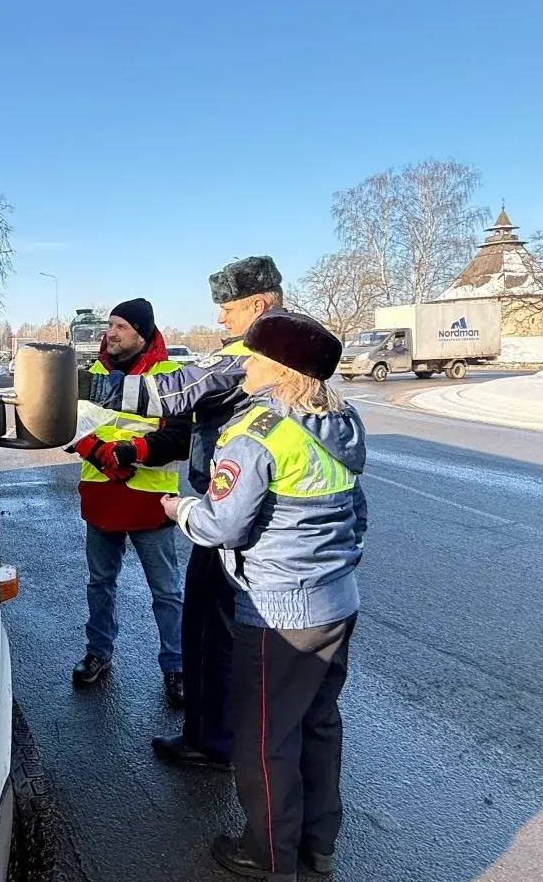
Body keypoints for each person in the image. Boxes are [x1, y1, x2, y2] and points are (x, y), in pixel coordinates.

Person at [161, 310, 367, 882]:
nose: (242, 366)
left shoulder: (258, 434)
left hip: (279, 613)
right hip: (338, 602)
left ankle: (269, 855)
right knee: (319, 724)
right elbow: (356, 514)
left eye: (251, 358)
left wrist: (182, 511)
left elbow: (224, 525)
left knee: (263, 740)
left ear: (277, 368)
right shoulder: (342, 422)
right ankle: (317, 847)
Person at [121, 256, 285, 770]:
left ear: (259, 304)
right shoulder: (285, 347)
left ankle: (212, 740)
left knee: (211, 629)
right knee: (213, 626)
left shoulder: (259, 353)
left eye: (228, 307)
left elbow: (177, 390)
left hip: (228, 515)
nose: (220, 319)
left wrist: (83, 387)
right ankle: (215, 731)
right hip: (235, 509)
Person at [69, 299, 192, 706]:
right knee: (100, 583)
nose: (111, 333)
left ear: (142, 331)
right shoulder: (95, 374)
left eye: (120, 326)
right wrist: (98, 452)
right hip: (102, 497)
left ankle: (176, 669)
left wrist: (131, 451)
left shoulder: (170, 376)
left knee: (166, 590)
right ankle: (98, 653)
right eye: (110, 325)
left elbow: (178, 439)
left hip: (149, 502)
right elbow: (69, 426)